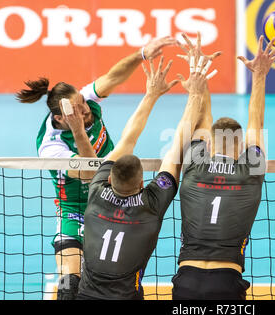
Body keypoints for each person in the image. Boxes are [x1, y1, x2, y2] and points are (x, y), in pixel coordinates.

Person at [15, 36, 177, 299]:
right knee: (69, 286)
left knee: (122, 277)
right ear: (60, 118)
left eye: (84, 102)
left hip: (111, 200)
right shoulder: (50, 147)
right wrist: (79, 131)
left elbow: (112, 77)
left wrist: (141, 54)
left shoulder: (83, 102)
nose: (87, 109)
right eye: (79, 110)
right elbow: (91, 172)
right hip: (75, 211)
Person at [76, 53, 213, 300]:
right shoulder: (151, 203)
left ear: (108, 179)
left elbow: (128, 140)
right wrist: (194, 94)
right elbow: (176, 150)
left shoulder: (96, 190)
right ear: (142, 183)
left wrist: (151, 94)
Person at [171, 34, 275, 300]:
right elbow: (256, 120)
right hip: (227, 282)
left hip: (186, 280)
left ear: (208, 144)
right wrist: (260, 74)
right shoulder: (250, 170)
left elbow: (202, 120)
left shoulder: (195, 163)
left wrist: (199, 73)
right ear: (241, 145)